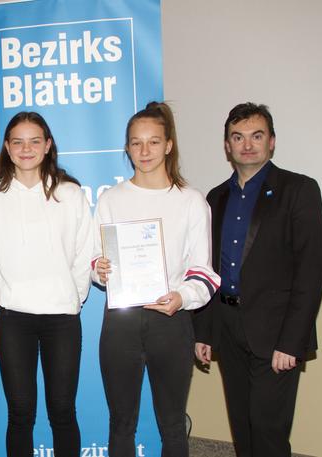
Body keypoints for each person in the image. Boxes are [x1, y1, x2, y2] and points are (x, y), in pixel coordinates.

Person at [193, 102, 322, 457]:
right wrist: (204, 332)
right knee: (243, 425)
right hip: (228, 327)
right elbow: (208, 270)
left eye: (256, 135)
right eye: (238, 137)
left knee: (268, 429)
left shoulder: (300, 190)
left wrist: (292, 342)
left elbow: (311, 273)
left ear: (272, 142)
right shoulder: (215, 198)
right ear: (227, 145)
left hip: (277, 333)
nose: (247, 144)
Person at [93, 102, 220, 457]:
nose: (143, 151)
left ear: (168, 145)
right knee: (121, 423)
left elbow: (203, 271)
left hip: (172, 321)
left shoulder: (191, 201)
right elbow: (94, 257)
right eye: (135, 143)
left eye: (152, 142)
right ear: (127, 147)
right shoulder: (111, 199)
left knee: (173, 423)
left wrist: (182, 296)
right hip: (121, 322)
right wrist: (98, 268)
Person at [0, 111, 93, 457]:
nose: (26, 149)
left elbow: (83, 254)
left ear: (48, 146)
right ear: (8, 149)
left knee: (62, 411)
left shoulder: (70, 195)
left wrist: (71, 299)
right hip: (15, 320)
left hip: (62, 318)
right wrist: (7, 300)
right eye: (18, 142)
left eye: (34, 141)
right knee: (21, 413)